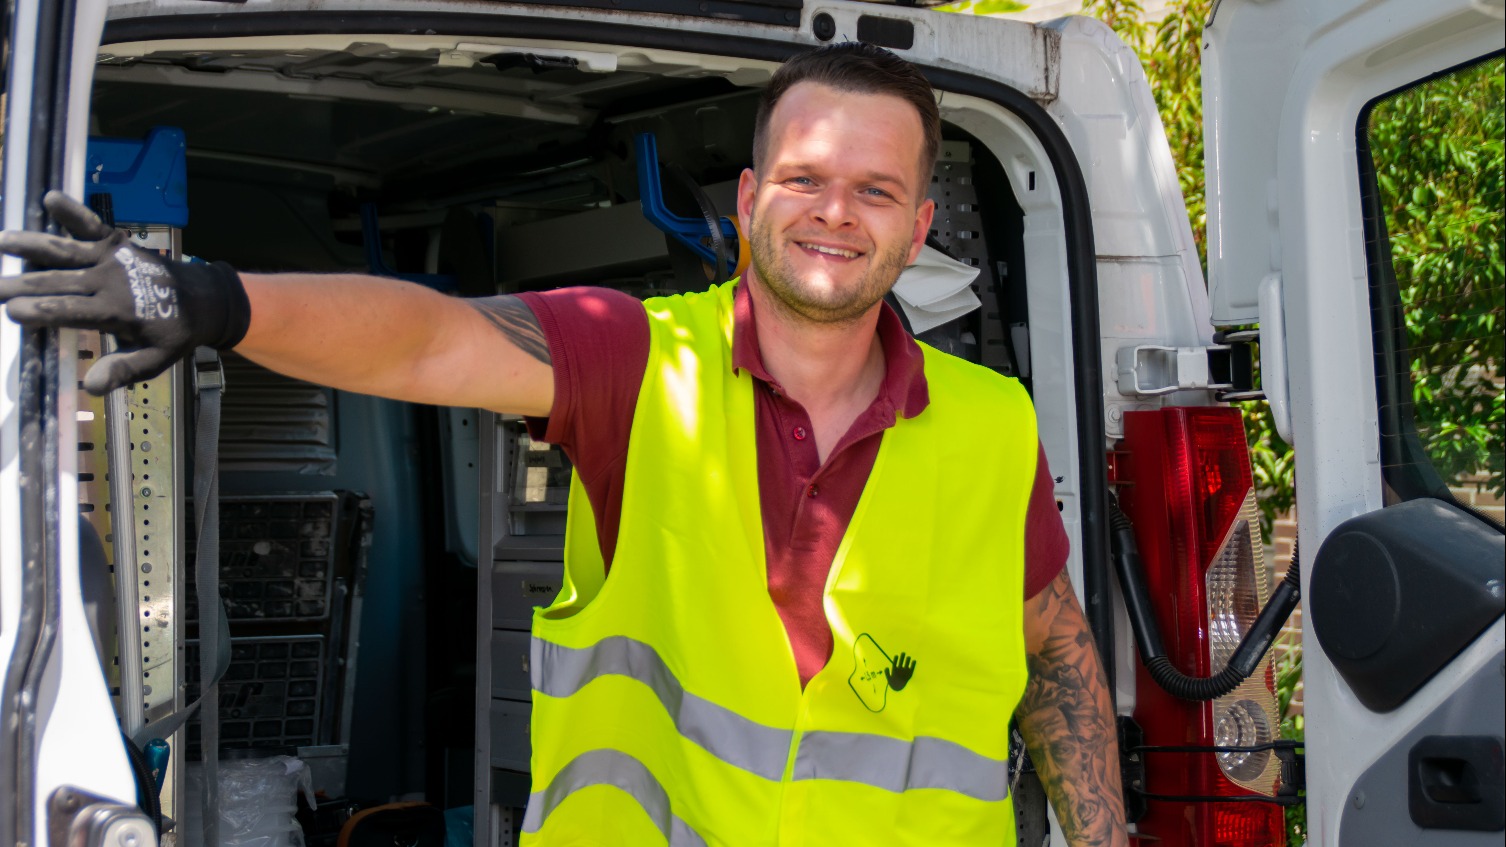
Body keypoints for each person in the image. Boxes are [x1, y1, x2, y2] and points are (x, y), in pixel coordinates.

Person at [0, 42, 1126, 847]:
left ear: (921, 225)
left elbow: (1057, 644)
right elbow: (432, 345)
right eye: (805, 180)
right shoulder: (642, 359)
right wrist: (215, 297)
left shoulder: (992, 421)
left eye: (876, 190)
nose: (836, 213)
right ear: (747, 200)